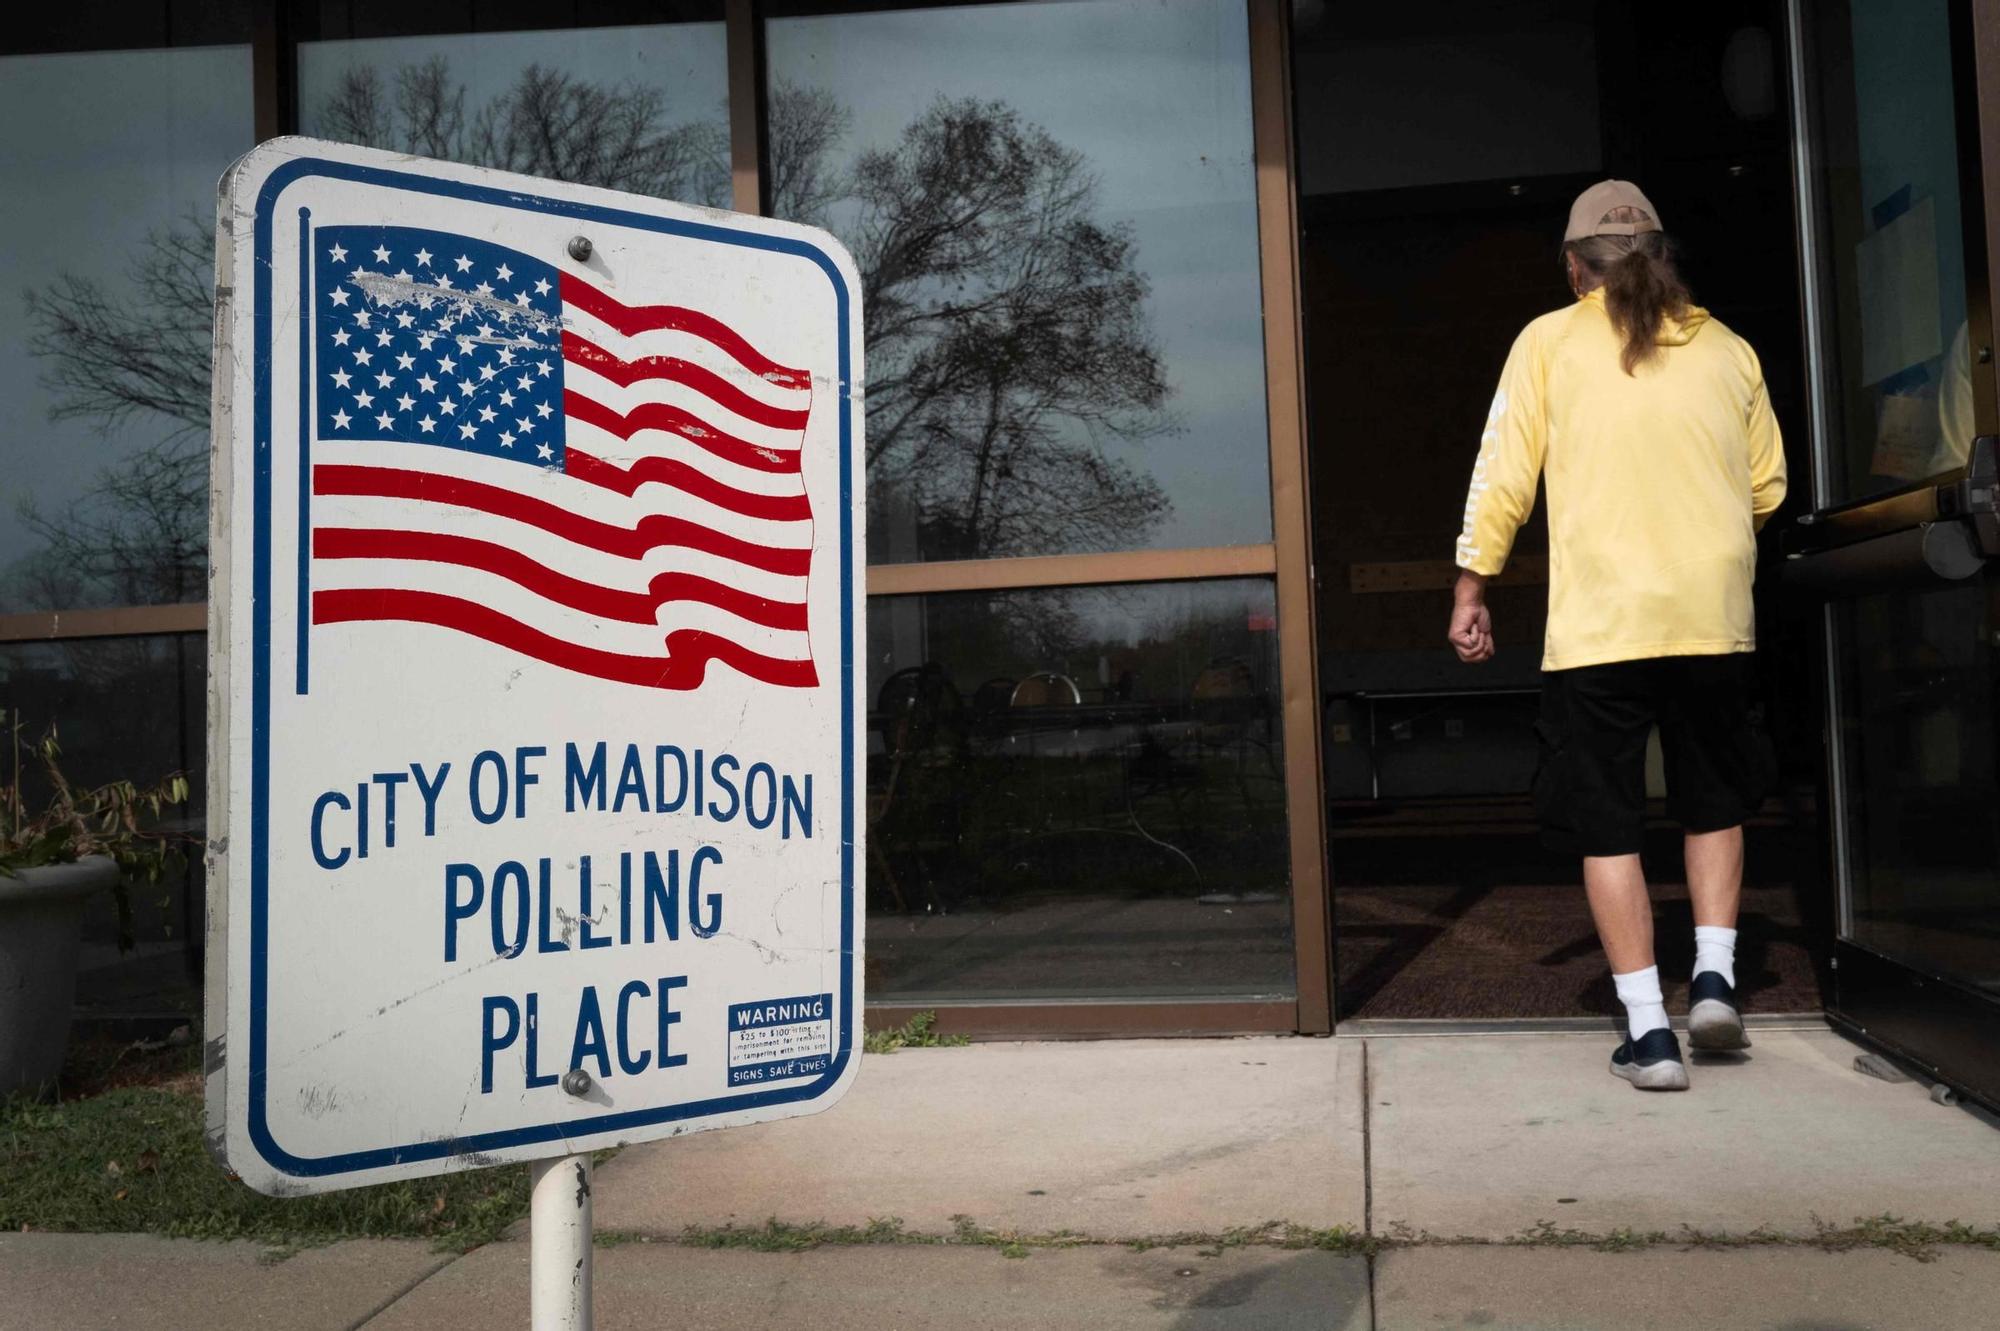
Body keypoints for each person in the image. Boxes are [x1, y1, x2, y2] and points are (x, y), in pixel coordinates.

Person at [1448, 180, 1787, 1091]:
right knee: (1714, 800)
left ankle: (1650, 1033)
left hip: (1602, 626)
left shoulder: (1548, 343)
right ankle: (1714, 978)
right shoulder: (1729, 349)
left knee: (1610, 825)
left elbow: (1504, 473)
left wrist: (1472, 584)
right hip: (1713, 618)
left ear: (1574, 270)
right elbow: (1768, 489)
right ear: (1662, 258)